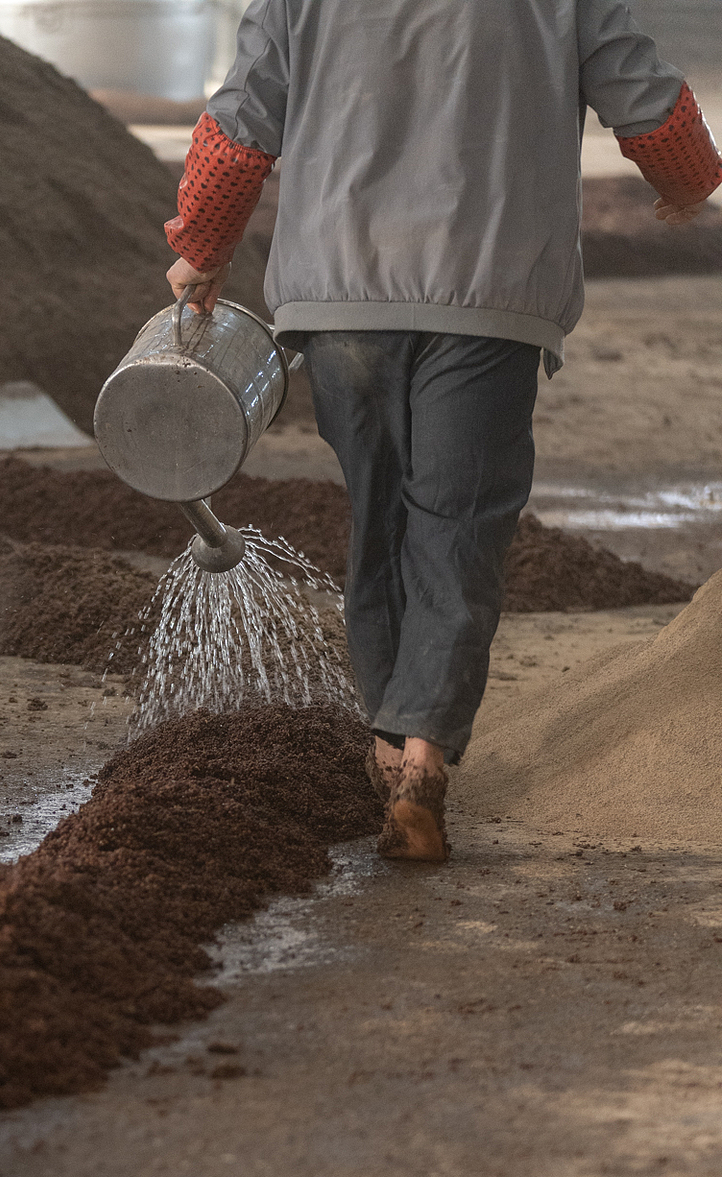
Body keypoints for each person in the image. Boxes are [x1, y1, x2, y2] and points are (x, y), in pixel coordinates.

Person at [164, 0, 721, 861]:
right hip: (490, 298)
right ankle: (421, 752)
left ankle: (389, 752)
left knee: (378, 517)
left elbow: (237, 127)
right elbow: (652, 105)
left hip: (341, 295)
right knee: (456, 523)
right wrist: (687, 187)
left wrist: (202, 242)